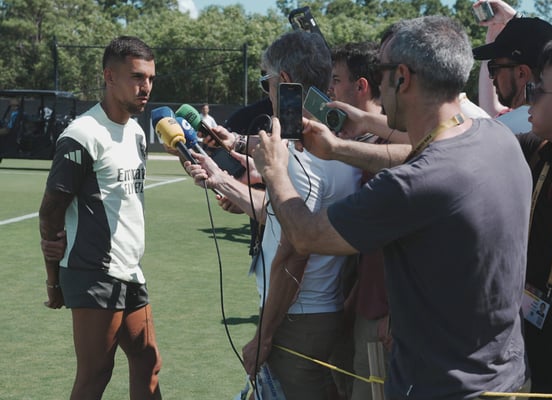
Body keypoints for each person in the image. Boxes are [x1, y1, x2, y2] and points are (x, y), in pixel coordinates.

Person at [251, 16, 531, 400]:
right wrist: (340, 147)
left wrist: (274, 171)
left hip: (441, 387)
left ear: (402, 77)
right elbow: (423, 152)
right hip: (506, 376)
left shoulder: (413, 185)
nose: (377, 84)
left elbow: (305, 235)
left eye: (381, 72)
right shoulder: (495, 137)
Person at [186, 30, 361, 399]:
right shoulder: (335, 142)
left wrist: (263, 336)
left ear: (283, 80)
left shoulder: (301, 155)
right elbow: (285, 214)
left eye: (265, 80)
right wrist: (221, 180)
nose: (265, 91)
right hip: (318, 311)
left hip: (298, 318)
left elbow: (295, 251)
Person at [38, 36, 162, 400]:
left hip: (129, 269)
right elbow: (50, 211)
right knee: (95, 375)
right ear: (109, 76)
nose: (146, 87)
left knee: (148, 363)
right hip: (94, 270)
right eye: (137, 77)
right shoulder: (82, 135)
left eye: (150, 79)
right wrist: (53, 280)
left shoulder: (137, 132)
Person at [328, 41, 390, 400]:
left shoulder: (390, 150)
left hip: (375, 309)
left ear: (362, 86)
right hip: (353, 300)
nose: (330, 90)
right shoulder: (350, 136)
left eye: (336, 80)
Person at [517, 38, 552, 396]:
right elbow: (453, 142)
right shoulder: (537, 152)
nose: (528, 98)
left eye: (537, 89)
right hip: (534, 338)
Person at [473, 0, 552, 133]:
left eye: (494, 68)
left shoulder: (508, 132)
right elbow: (491, 109)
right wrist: (513, 21)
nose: (493, 79)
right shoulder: (548, 125)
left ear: (522, 73)